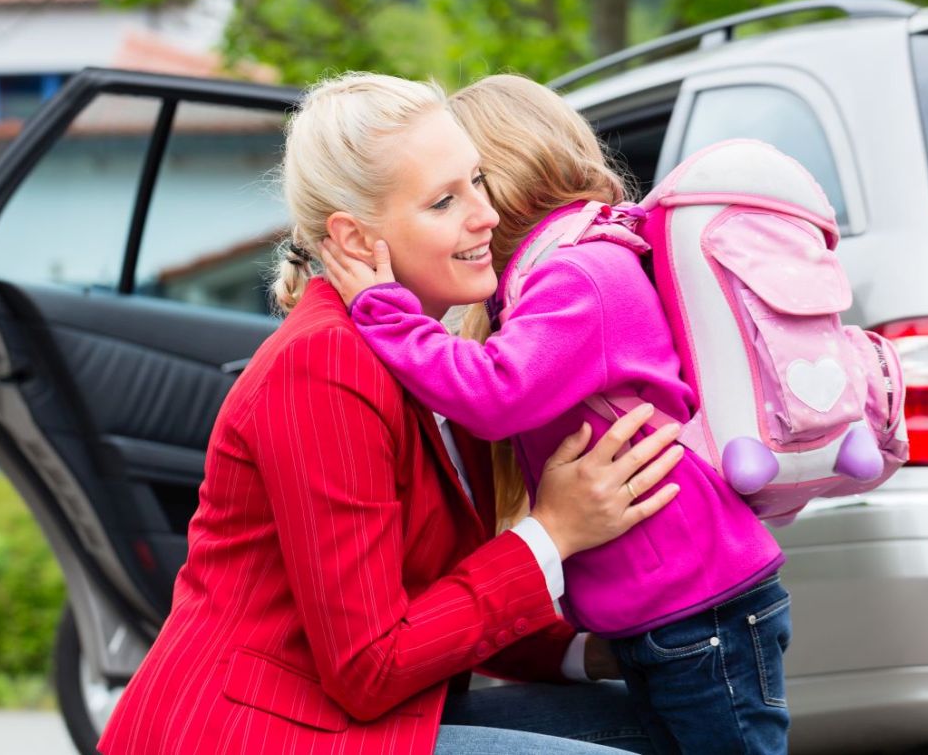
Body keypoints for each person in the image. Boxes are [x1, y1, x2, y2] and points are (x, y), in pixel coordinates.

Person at [97, 72, 685, 755]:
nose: (485, 215)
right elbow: (370, 664)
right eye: (443, 201)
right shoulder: (324, 365)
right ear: (352, 238)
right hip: (256, 735)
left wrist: (592, 652)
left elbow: (442, 603)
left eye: (478, 182)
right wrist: (551, 533)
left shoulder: (438, 356)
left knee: (671, 718)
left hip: (362, 721)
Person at [320, 74, 791, 755]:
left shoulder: (579, 272)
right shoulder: (567, 265)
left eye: (466, 186)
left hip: (700, 611)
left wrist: (382, 309)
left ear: (500, 178)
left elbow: (492, 394)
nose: (467, 211)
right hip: (680, 611)